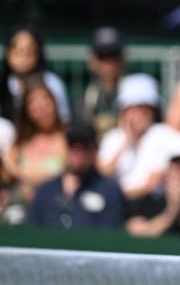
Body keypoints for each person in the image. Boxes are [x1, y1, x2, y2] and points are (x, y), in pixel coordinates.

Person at [28, 124, 126, 230]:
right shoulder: (46, 191)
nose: (78, 154)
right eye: (73, 147)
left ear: (95, 150)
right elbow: (31, 230)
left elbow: (111, 233)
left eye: (84, 148)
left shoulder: (109, 191)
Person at [97, 73, 176, 200]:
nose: (139, 115)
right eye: (133, 109)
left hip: (148, 202)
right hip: (115, 202)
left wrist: (119, 197)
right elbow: (103, 173)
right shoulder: (113, 137)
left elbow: (152, 183)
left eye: (144, 109)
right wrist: (127, 141)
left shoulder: (163, 134)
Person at [2, 74, 67, 211]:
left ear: (54, 103)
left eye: (45, 103)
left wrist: (25, 178)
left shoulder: (67, 139)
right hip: (20, 208)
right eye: (35, 106)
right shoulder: (20, 141)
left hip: (56, 207)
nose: (42, 111)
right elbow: (7, 172)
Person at [2, 27, 71, 124]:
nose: (22, 56)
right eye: (17, 50)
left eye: (28, 50)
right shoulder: (3, 83)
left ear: (37, 53)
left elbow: (64, 120)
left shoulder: (50, 82)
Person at [78, 26, 126, 137]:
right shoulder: (86, 98)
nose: (109, 63)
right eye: (103, 57)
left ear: (122, 59)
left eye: (114, 56)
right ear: (92, 61)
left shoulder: (135, 94)